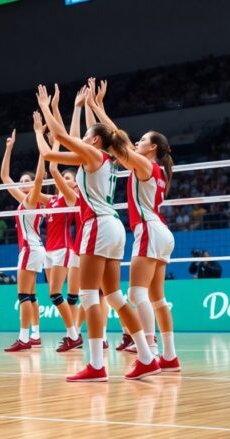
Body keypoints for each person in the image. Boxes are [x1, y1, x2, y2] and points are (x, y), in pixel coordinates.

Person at [35, 82, 159, 382]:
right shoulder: (102, 158)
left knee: (90, 296)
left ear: (95, 140)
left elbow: (63, 137)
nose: (83, 138)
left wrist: (47, 107)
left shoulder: (93, 157)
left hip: (98, 225)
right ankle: (146, 355)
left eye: (88, 137)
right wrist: (73, 110)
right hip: (114, 226)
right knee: (114, 296)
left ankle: (96, 365)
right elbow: (54, 153)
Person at [85, 82, 180, 371]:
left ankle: (148, 351)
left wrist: (96, 108)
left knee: (137, 295)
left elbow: (116, 143)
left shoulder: (145, 166)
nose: (136, 142)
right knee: (158, 298)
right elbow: (121, 143)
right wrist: (97, 108)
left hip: (149, 229)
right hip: (163, 232)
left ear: (152, 147)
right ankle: (170, 356)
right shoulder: (161, 169)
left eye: (142, 140)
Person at [42, 86, 84, 352]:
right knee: (60, 295)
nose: (65, 181)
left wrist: (47, 137)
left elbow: (53, 167)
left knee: (60, 294)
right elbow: (31, 189)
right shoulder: (52, 199)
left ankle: (75, 334)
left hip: (65, 249)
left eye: (70, 179)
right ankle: (74, 333)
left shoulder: (71, 198)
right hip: (49, 251)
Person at [0, 123, 47, 352]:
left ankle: (24, 338)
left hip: (30, 249)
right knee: (30, 294)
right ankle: (34, 335)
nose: (22, 184)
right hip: (34, 248)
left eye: (26, 182)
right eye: (21, 183)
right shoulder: (25, 201)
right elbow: (4, 176)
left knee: (24, 295)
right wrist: (9, 148)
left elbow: (39, 178)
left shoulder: (32, 200)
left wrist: (42, 153)